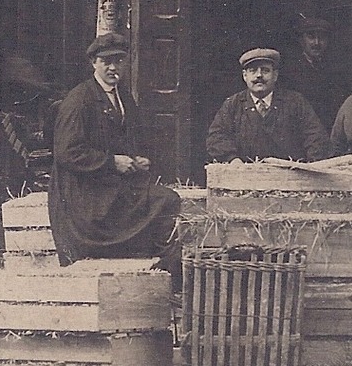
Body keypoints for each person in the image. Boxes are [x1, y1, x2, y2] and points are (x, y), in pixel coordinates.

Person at [51, 33, 181, 283]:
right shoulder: (80, 99)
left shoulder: (121, 96)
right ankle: (165, 276)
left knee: (165, 199)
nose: (113, 67)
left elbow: (125, 139)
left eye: (119, 61)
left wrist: (136, 159)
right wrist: (112, 162)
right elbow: (68, 152)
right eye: (106, 61)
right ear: (93, 63)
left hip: (108, 187)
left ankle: (161, 274)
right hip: (84, 197)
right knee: (166, 200)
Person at [206, 48, 330, 163]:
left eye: (265, 70)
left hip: (290, 179)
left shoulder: (295, 102)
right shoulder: (232, 105)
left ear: (275, 75)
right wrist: (233, 159)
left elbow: (316, 137)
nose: (259, 75)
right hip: (245, 178)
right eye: (253, 71)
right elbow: (216, 137)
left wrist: (311, 166)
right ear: (245, 76)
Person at [285, 16, 349, 123]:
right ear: (301, 40)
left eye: (322, 38)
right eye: (311, 37)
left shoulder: (335, 68)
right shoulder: (291, 71)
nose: (316, 43)